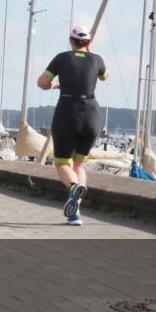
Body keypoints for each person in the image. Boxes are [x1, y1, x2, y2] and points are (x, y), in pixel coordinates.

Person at [36, 25, 108, 226]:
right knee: (78, 164)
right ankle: (75, 213)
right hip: (92, 116)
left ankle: (74, 188)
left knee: (62, 164)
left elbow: (42, 82)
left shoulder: (62, 58)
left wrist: (55, 84)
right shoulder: (98, 59)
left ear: (71, 41)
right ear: (89, 43)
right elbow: (104, 76)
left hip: (68, 114)